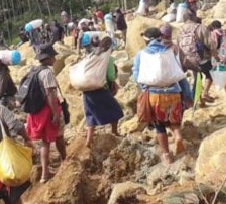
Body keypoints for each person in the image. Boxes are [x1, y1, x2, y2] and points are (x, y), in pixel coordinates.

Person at [133, 28, 192, 164]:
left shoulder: (141, 55)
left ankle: (167, 155)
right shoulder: (169, 52)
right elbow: (180, 75)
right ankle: (177, 135)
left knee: (159, 126)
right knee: (174, 120)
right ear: (160, 38)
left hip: (154, 95)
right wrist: (187, 96)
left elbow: (137, 76)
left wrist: (144, 88)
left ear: (146, 40)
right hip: (173, 93)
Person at [24, 44, 67, 183]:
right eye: (53, 56)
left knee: (45, 142)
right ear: (48, 58)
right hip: (48, 111)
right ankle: (66, 162)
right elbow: (50, 94)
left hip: (37, 113)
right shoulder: (47, 73)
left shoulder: (34, 71)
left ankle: (44, 174)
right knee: (59, 137)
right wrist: (55, 113)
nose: (55, 58)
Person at [82, 36, 123, 148]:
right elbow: (110, 76)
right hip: (100, 89)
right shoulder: (108, 59)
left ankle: (89, 140)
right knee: (115, 109)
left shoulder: (91, 55)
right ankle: (114, 131)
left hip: (87, 90)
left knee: (91, 114)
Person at [176, 11, 216, 105]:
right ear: (193, 17)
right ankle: (205, 93)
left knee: (197, 77)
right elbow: (210, 43)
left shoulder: (180, 30)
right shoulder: (200, 27)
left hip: (188, 60)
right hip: (202, 58)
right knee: (210, 75)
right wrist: (216, 55)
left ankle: (199, 100)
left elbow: (178, 45)